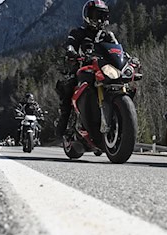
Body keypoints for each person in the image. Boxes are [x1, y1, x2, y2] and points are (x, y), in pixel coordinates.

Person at [55, 0, 118, 138]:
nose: (99, 19)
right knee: (68, 87)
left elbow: (118, 50)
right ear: (87, 16)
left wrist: (126, 58)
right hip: (82, 68)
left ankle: (119, 116)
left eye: (102, 15)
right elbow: (70, 44)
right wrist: (71, 51)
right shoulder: (78, 32)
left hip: (103, 70)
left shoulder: (108, 36)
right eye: (96, 15)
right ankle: (63, 123)